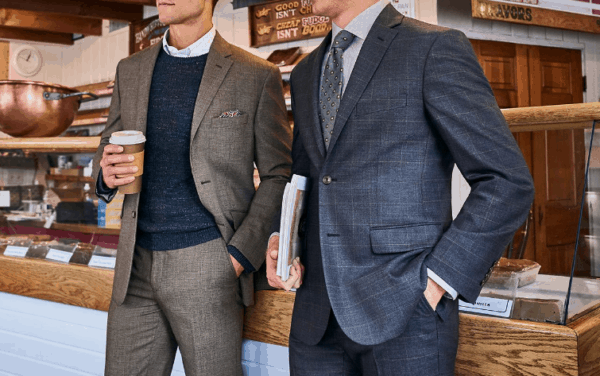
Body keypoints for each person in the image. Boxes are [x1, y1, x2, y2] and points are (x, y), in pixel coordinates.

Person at [266, 0, 534, 374]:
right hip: (316, 320)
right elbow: (308, 179)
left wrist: (436, 283)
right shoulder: (307, 71)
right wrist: (284, 240)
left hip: (406, 315)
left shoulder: (432, 48)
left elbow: (506, 180)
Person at [92, 0, 292, 374]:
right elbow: (105, 151)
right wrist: (104, 175)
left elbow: (278, 174)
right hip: (134, 264)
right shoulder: (130, 70)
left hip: (208, 263)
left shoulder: (255, 75)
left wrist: (236, 258)